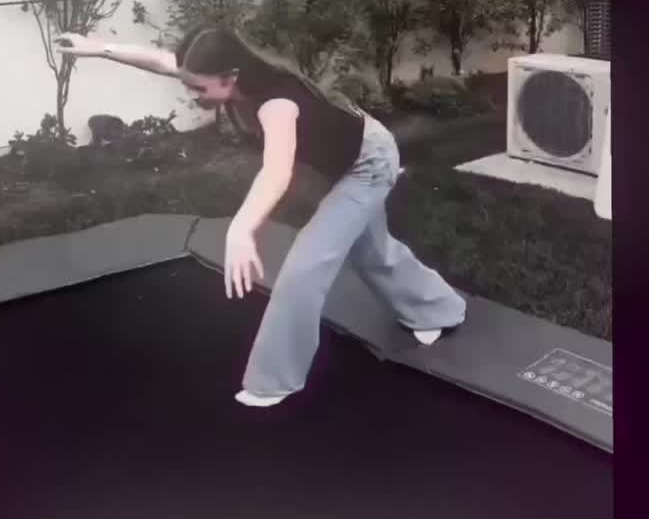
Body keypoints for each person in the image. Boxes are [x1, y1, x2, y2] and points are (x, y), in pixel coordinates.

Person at [54, 24, 466, 408]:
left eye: (197, 87)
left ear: (230, 76)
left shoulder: (276, 104)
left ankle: (273, 381)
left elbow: (276, 172)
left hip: (368, 164)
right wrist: (98, 48)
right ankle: (439, 309)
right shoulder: (229, 76)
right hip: (352, 155)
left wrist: (241, 229)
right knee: (371, 250)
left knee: (305, 267)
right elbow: (160, 61)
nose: (191, 93)